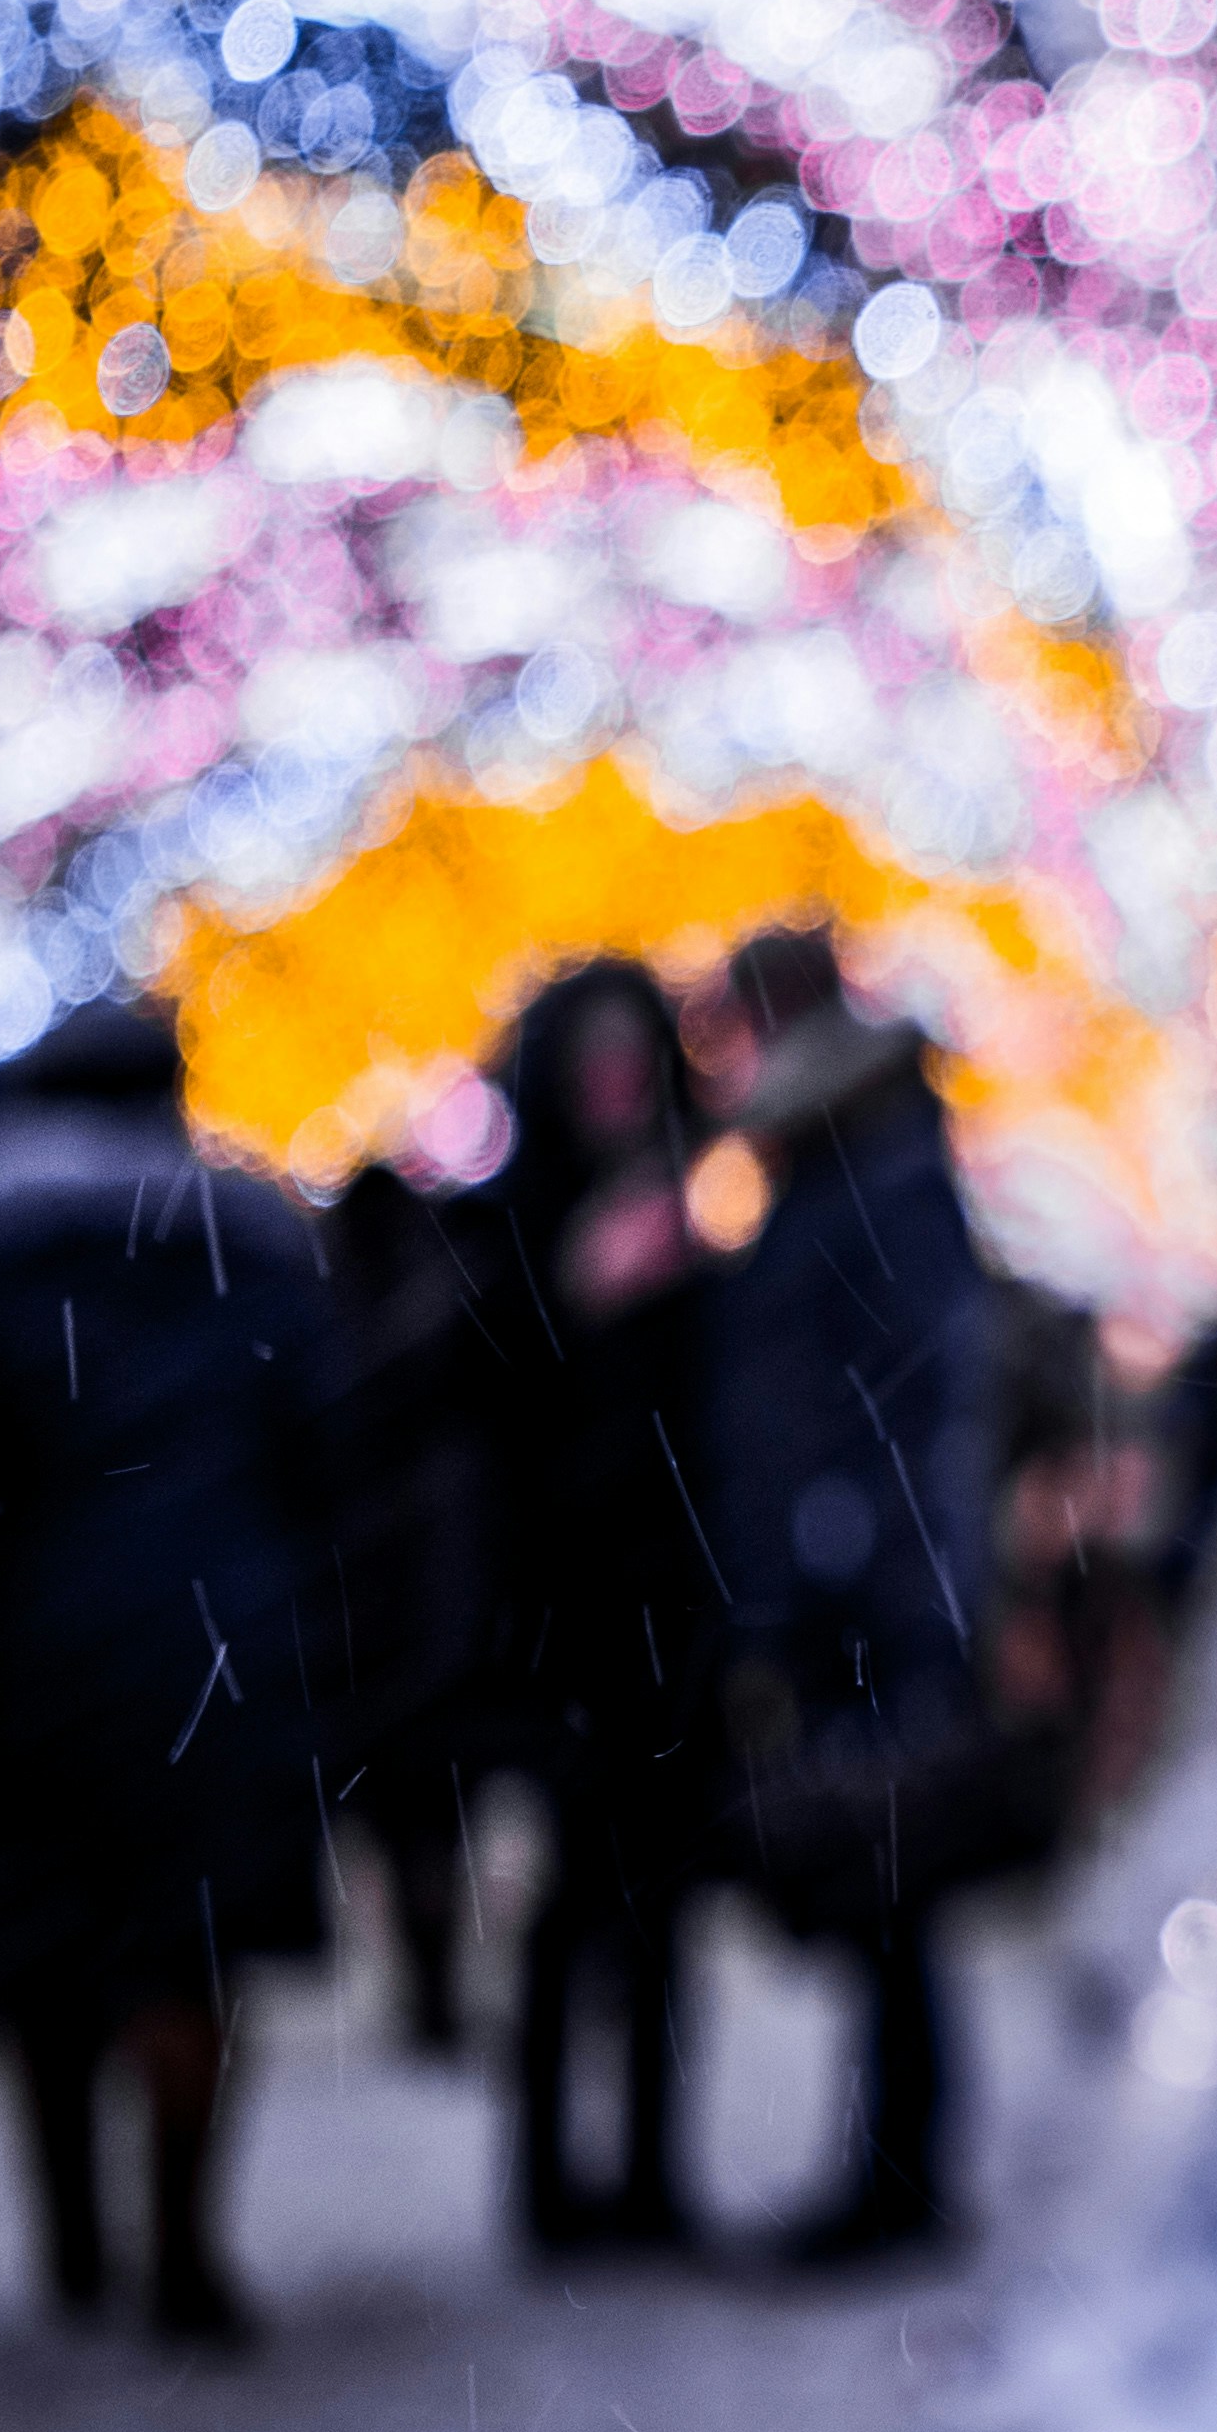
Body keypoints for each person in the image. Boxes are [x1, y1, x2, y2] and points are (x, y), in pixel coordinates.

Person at [0, 1004, 345, 2353]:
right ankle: (185, 2244)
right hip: (219, 1637)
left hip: (28, 1646)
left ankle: (75, 2238)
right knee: (185, 1950)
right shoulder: (254, 1245)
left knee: (43, 1944)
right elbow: (321, 1450)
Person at [693, 927, 1010, 2265]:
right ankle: (891, 2169)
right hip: (866, 1589)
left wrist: (840, 1570)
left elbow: (894, 1410)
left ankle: (898, 2179)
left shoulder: (871, 1184)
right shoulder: (857, 1170)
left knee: (889, 1894)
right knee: (885, 1901)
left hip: (870, 1600)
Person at [471, 959, 731, 2259]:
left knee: (664, 1912)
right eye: (597, 1055)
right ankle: (546, 2185)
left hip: (675, 1623)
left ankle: (652, 2172)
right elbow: (488, 1432)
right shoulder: (513, 1227)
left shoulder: (706, 1214)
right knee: (569, 1911)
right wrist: (577, 1300)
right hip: (563, 1626)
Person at [316, 1156, 510, 2058]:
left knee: (408, 1820)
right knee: (435, 1817)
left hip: (384, 1608)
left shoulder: (337, 1322)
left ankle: (427, 1984)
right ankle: (434, 1984)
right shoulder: (453, 1304)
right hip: (441, 1603)